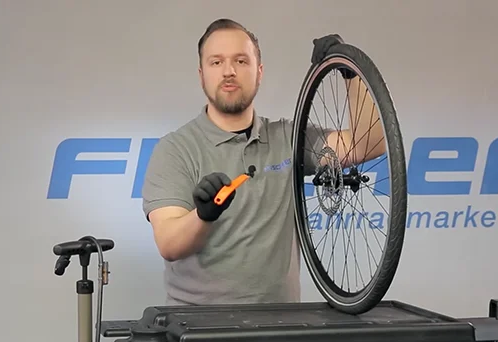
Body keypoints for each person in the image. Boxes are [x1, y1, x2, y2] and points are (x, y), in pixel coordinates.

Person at [142, 18, 385, 306]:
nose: (229, 71)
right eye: (216, 62)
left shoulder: (288, 138)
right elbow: (169, 243)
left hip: (279, 328)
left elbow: (369, 142)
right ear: (201, 74)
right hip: (198, 330)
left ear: (259, 72)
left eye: (241, 61)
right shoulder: (175, 149)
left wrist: (350, 70)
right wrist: (203, 215)